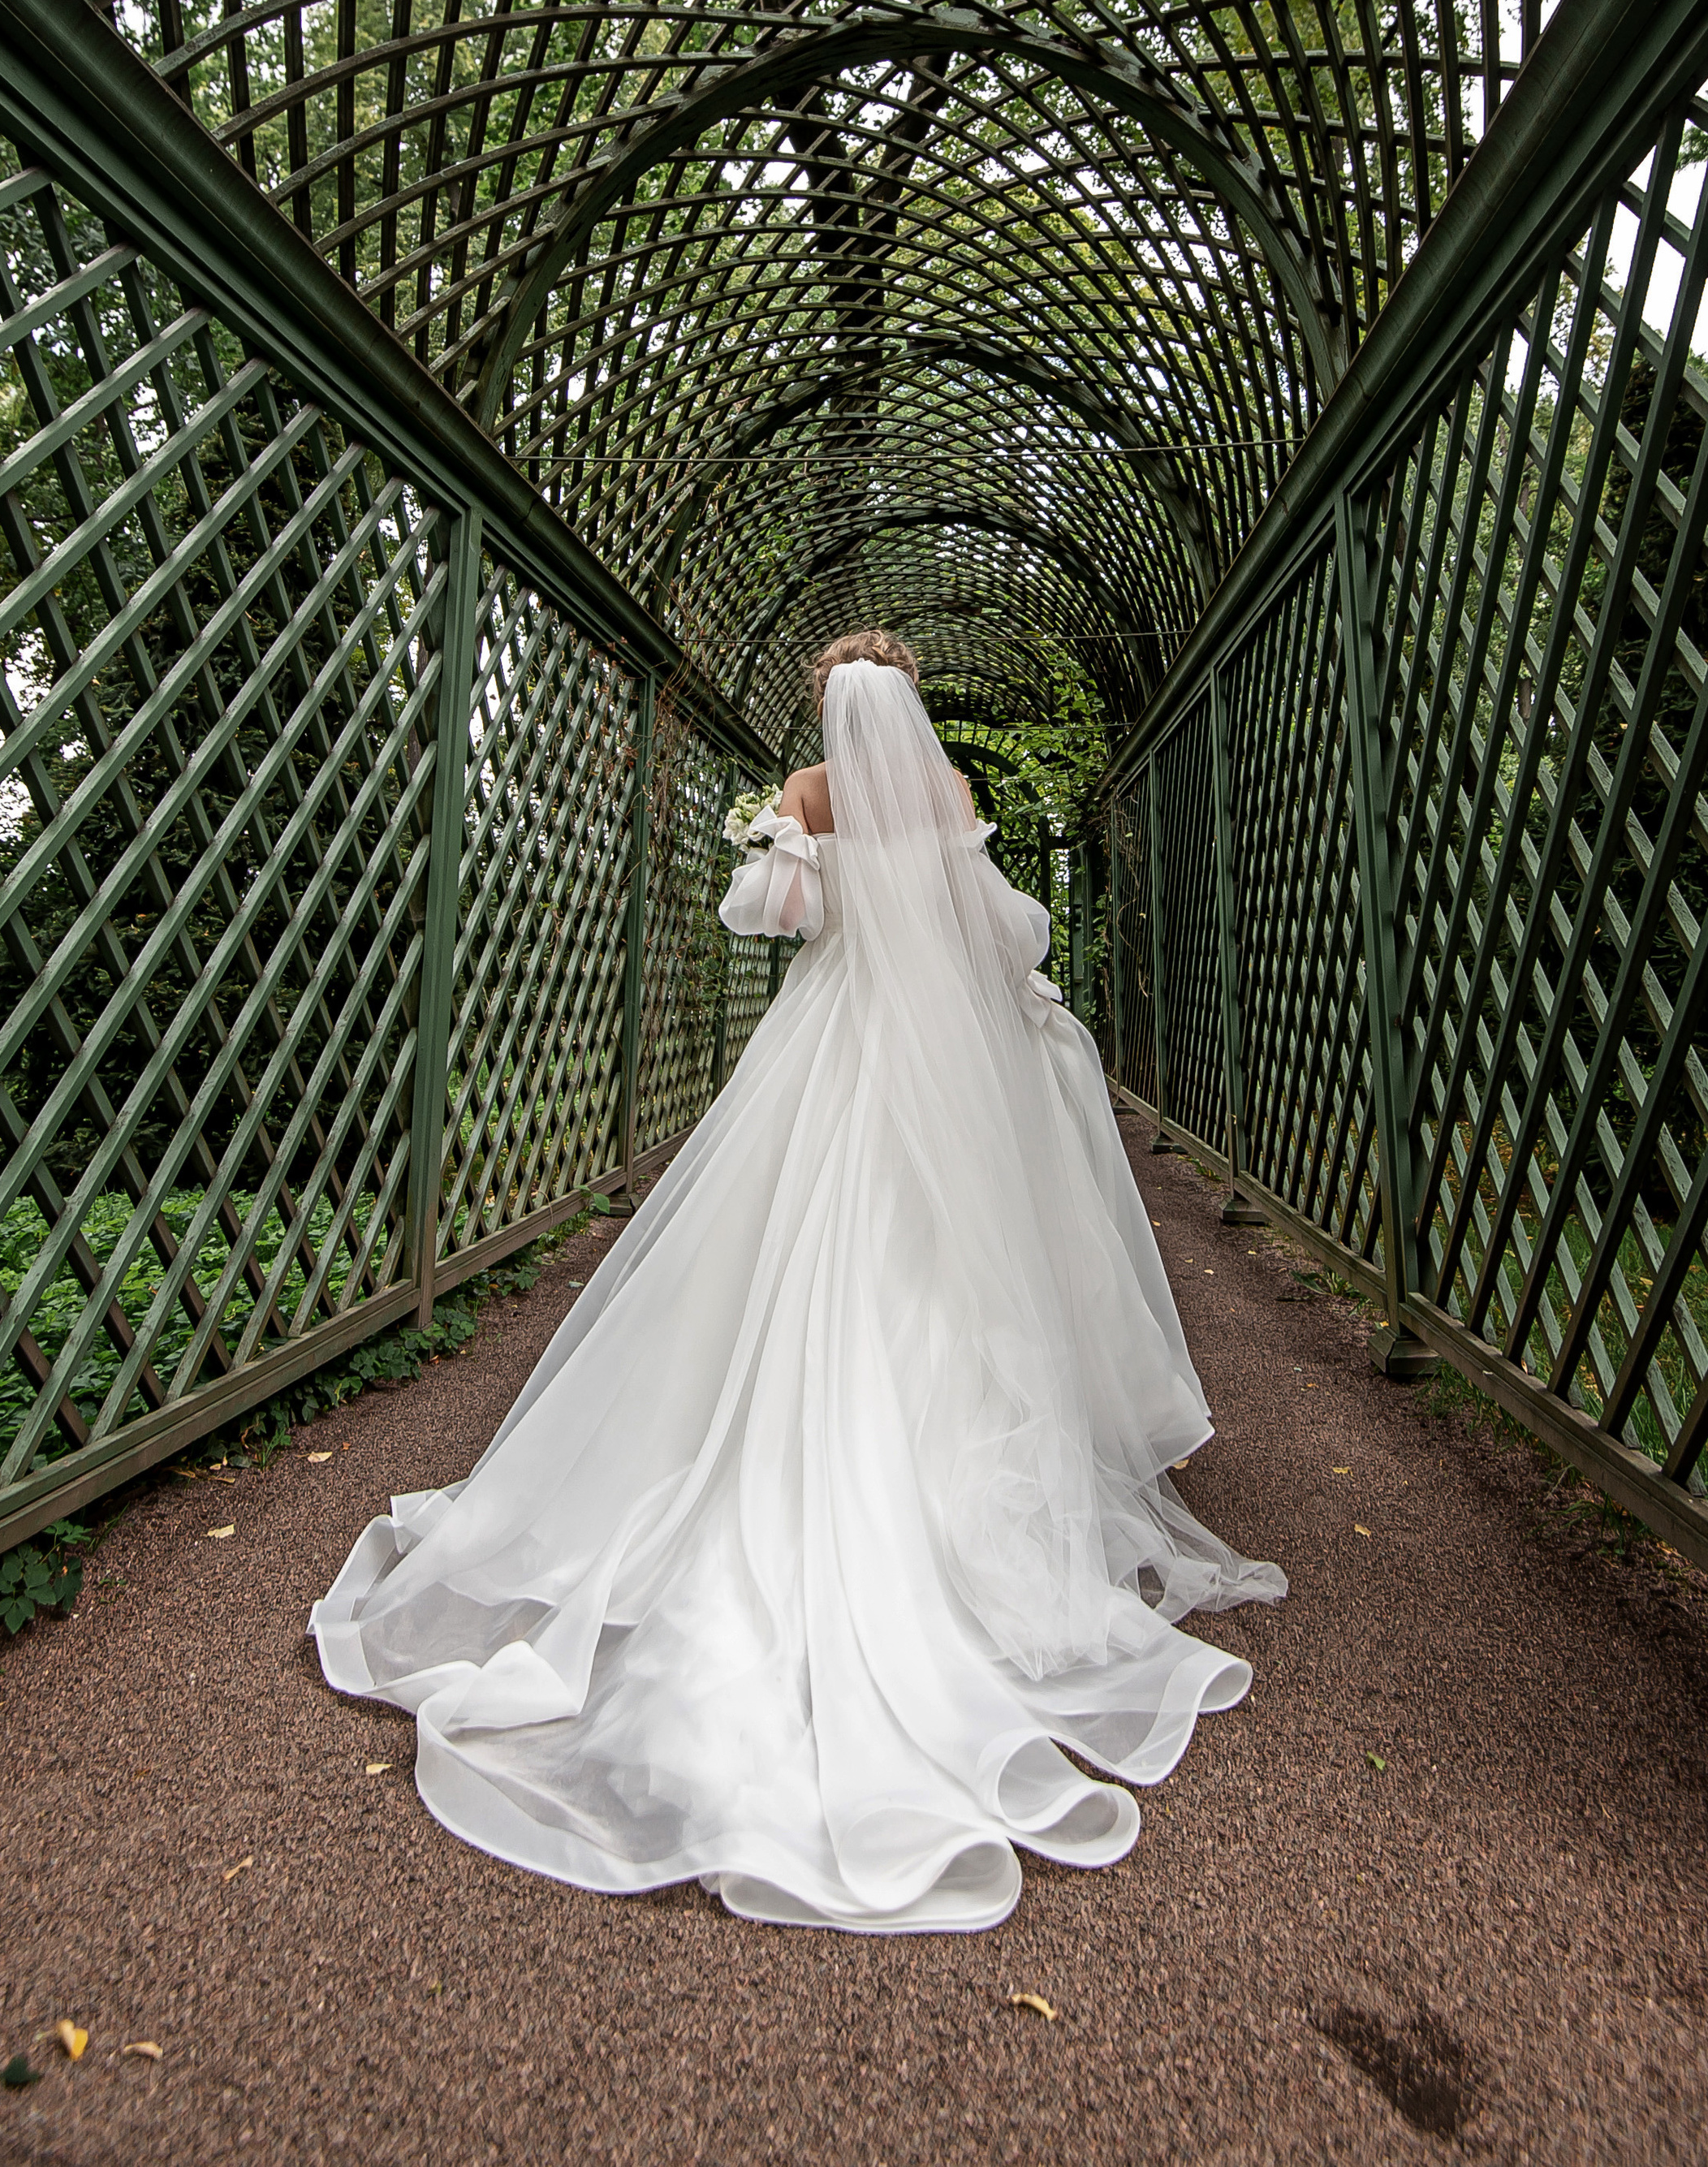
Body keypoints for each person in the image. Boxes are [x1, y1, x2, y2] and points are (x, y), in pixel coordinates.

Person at [310, 630, 1284, 1932]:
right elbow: (993, 929)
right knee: (942, 1275)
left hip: (833, 1043)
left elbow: (776, 920)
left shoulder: (809, 788)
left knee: (788, 1248)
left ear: (832, 703)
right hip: (937, 1061)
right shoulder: (951, 796)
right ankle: (947, 1504)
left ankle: (783, 1463)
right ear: (913, 704)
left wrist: (782, 841)